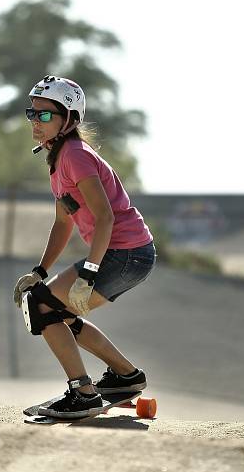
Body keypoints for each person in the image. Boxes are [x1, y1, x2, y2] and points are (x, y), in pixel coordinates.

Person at [13, 75, 156, 419]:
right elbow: (63, 223)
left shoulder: (75, 156)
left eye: (45, 115)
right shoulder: (60, 159)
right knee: (53, 308)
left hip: (123, 254)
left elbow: (105, 217)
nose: (36, 122)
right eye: (32, 113)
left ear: (70, 120)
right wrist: (40, 271)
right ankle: (125, 376)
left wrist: (89, 272)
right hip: (129, 254)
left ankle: (83, 393)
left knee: (42, 307)